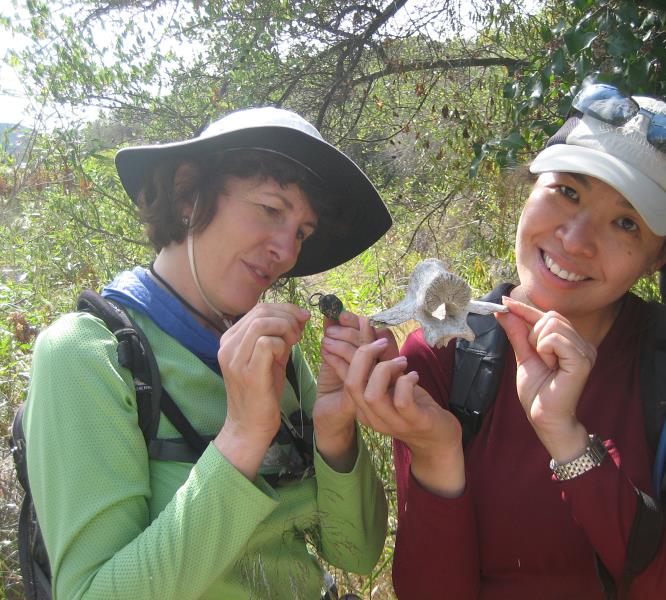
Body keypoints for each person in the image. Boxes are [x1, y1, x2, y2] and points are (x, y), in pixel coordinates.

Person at [332, 83, 666, 598]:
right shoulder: (441, 357)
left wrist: (567, 440)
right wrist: (437, 451)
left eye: (626, 223)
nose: (575, 240)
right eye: (568, 191)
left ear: (657, 258)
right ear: (530, 188)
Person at [22, 106, 391, 599]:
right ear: (188, 193)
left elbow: (358, 556)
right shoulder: (91, 355)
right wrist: (242, 437)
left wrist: (335, 432)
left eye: (302, 233)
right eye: (271, 210)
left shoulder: (277, 356)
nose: (287, 252)